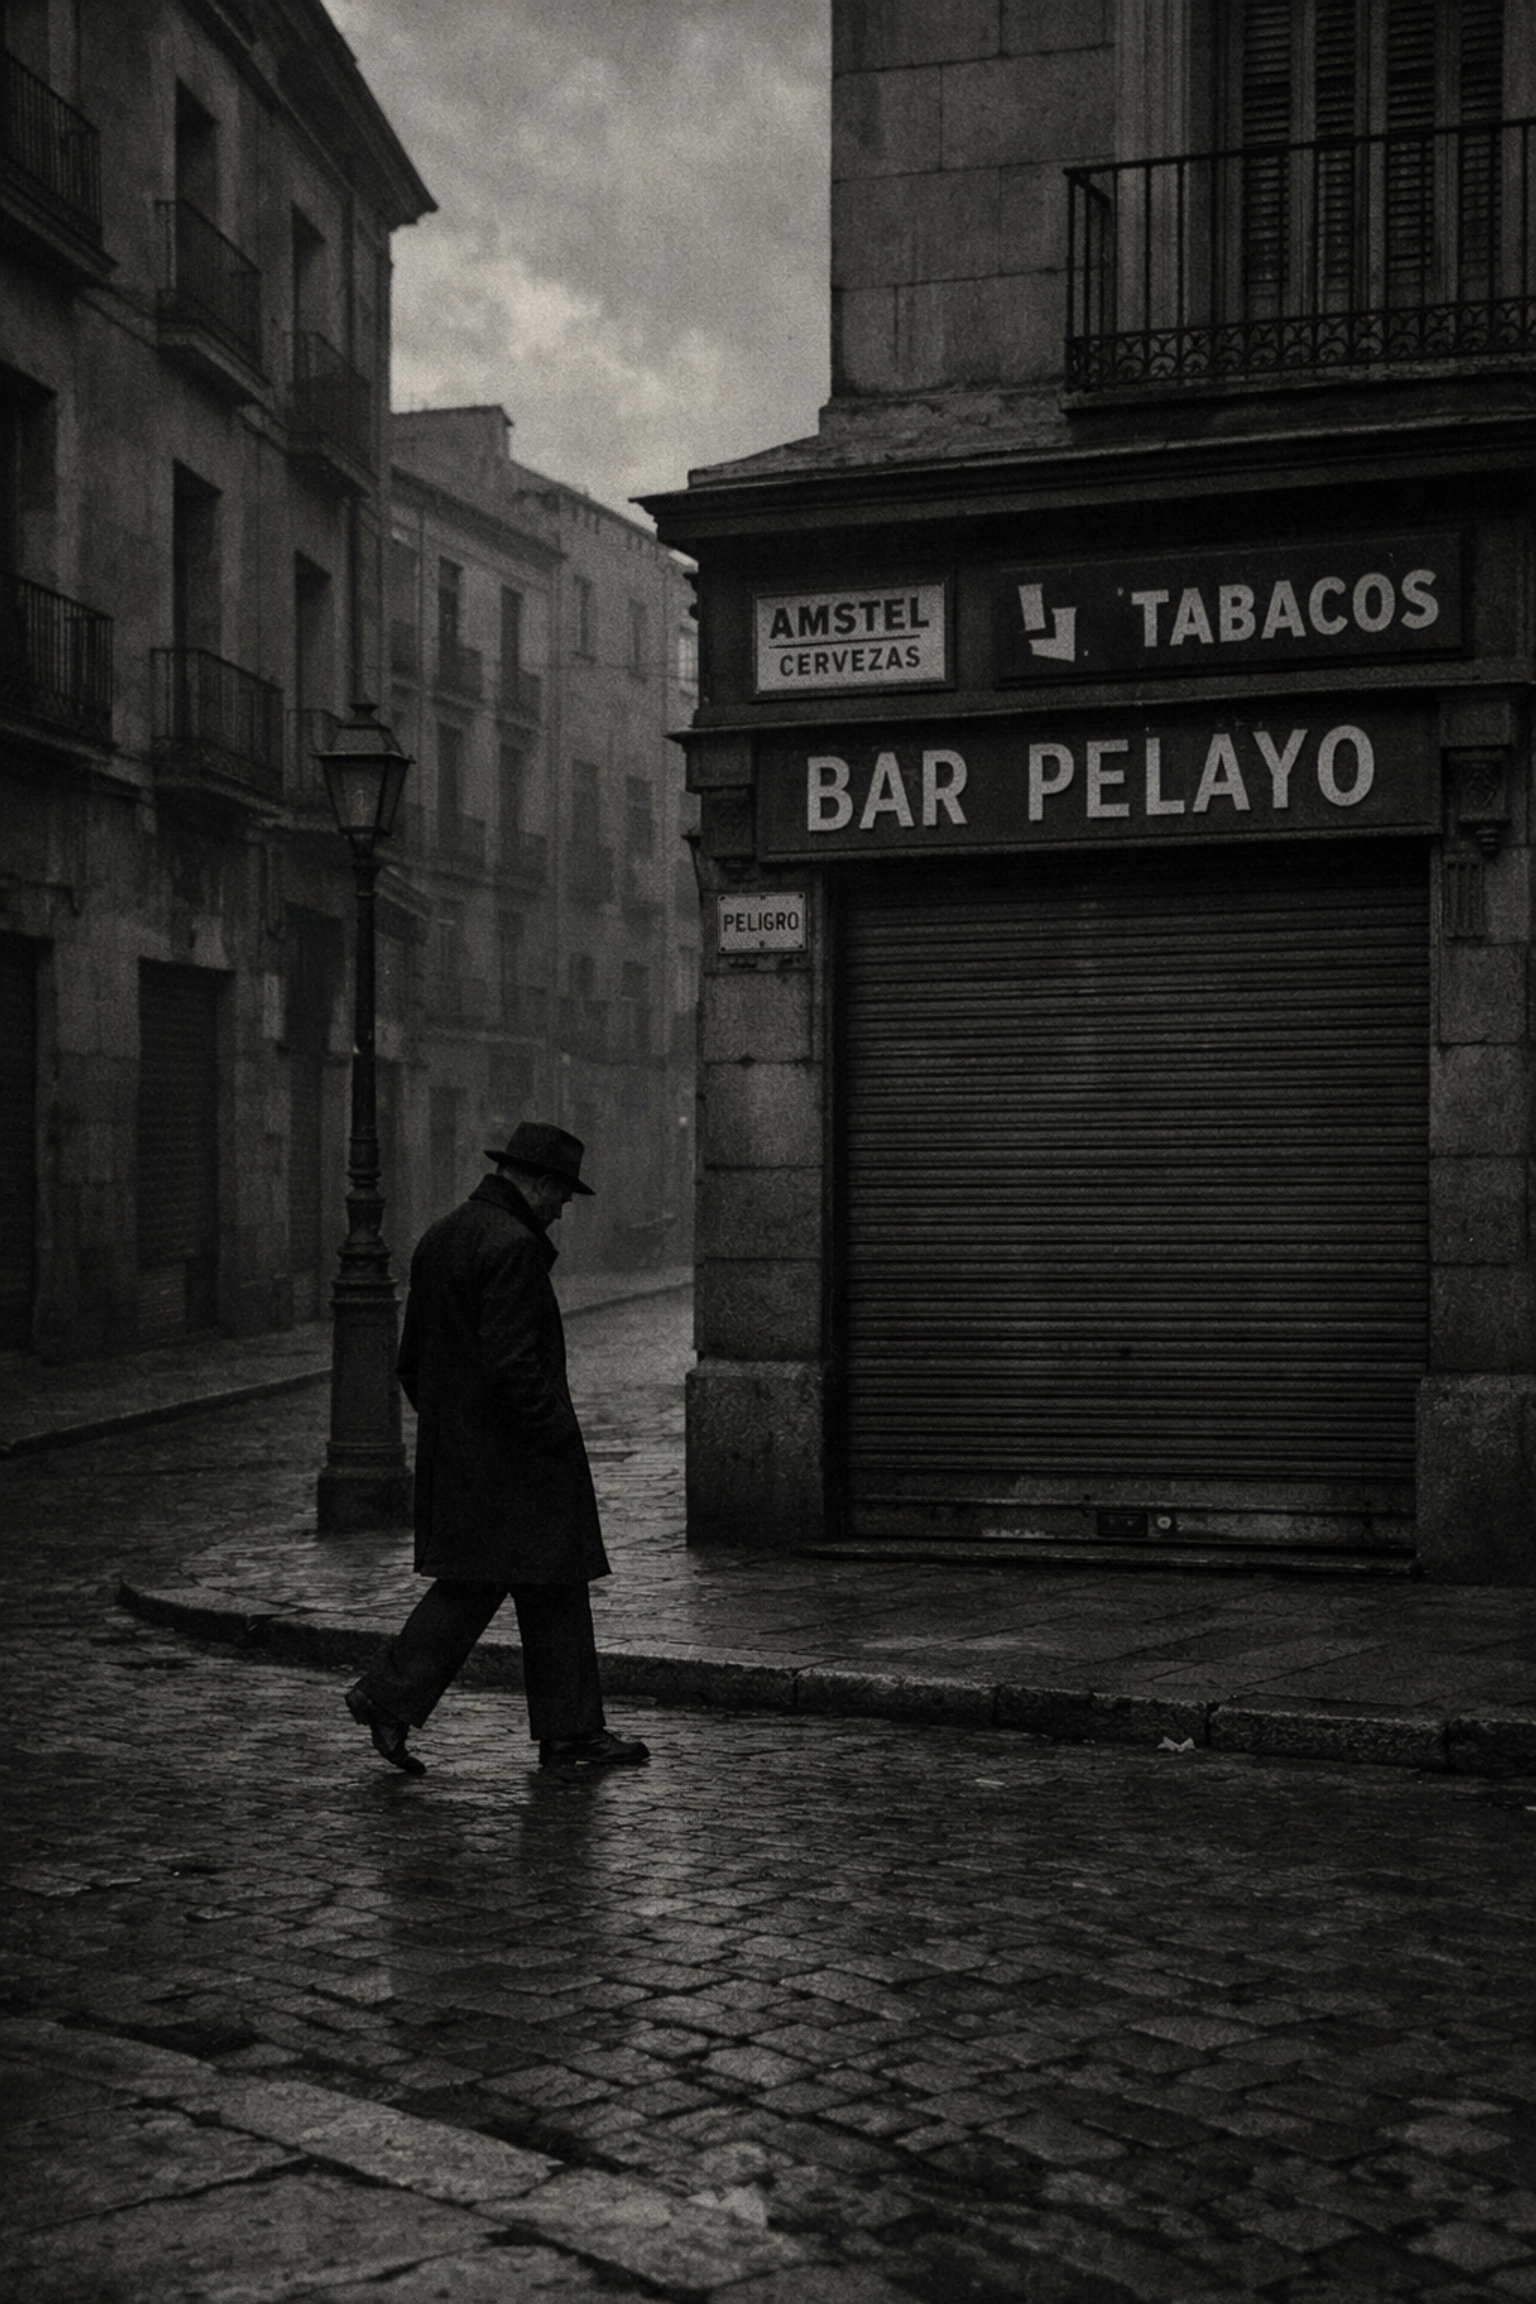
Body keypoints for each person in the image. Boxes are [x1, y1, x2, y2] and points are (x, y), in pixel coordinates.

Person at [344, 1120, 649, 1776]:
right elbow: (515, 1365)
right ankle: (564, 1736)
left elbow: (413, 1366)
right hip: (520, 1459)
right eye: (560, 1197)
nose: (561, 1210)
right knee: (545, 1580)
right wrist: (554, 1433)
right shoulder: (511, 1245)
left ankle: (397, 1700)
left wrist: (459, 1431)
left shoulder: (441, 1236)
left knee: (491, 1584)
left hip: (467, 1458)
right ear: (535, 1183)